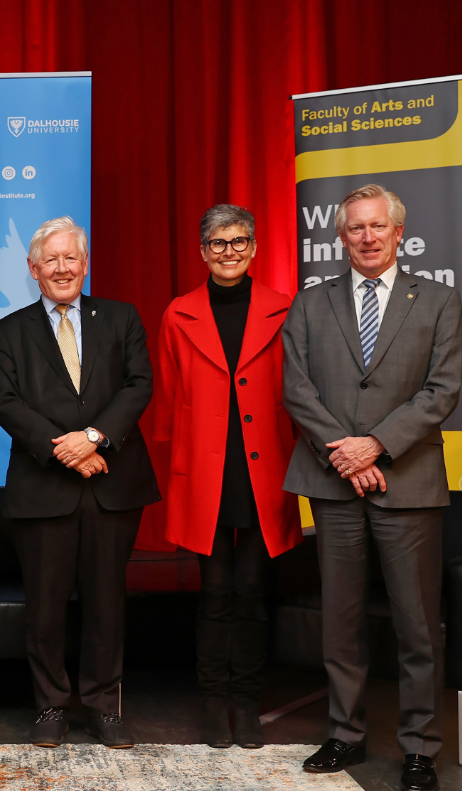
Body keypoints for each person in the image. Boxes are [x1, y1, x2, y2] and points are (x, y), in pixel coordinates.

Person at [282, 184, 462, 791]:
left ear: (397, 232)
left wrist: (376, 445)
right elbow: (297, 390)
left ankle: (418, 747)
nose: (366, 236)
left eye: (376, 226)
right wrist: (348, 453)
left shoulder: (438, 300)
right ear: (340, 237)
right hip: (335, 484)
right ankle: (346, 733)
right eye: (354, 228)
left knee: (417, 625)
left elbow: (442, 390)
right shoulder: (311, 303)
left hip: (407, 482)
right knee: (341, 620)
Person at [0, 216, 159, 749]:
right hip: (44, 487)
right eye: (52, 260)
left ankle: (105, 707)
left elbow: (139, 385)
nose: (62, 268)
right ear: (33, 268)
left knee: (107, 602)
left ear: (84, 264)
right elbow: (6, 401)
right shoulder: (8, 331)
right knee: (45, 605)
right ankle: (50, 706)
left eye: (72, 259)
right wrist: (65, 449)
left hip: (112, 483)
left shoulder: (121, 317)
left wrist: (94, 437)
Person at [153, 205, 302, 749]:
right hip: (204, 471)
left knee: (253, 590)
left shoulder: (284, 310)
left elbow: (298, 392)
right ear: (202, 252)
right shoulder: (179, 313)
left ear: (255, 247)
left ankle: (247, 702)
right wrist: (178, 463)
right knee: (214, 591)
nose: (229, 251)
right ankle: (214, 705)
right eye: (217, 243)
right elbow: (168, 398)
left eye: (239, 241)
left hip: (265, 470)